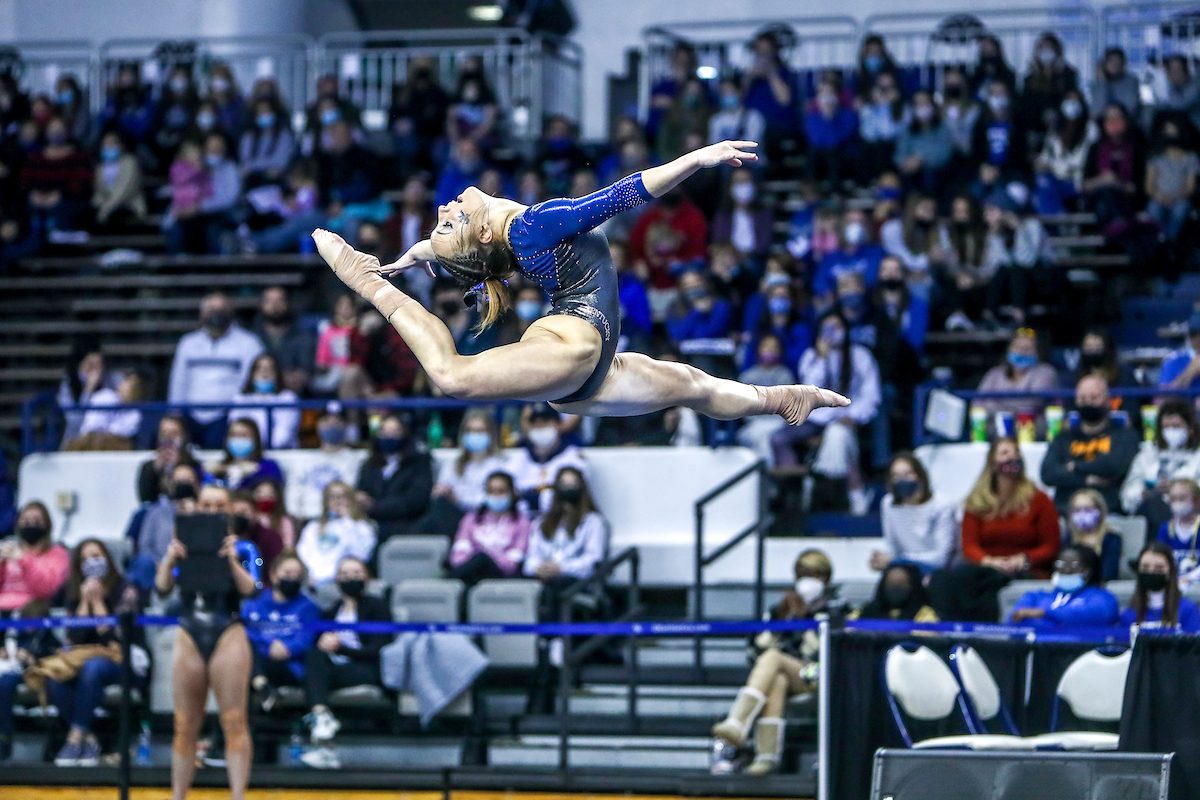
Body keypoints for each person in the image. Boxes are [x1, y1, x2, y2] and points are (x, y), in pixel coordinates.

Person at [312, 140, 850, 430]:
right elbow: (622, 196)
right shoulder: (530, 225)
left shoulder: (500, 242)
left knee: (694, 386)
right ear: (479, 229)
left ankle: (783, 396)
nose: (443, 206)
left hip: (589, 377)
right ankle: (368, 288)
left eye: (442, 217)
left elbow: (445, 251)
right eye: (448, 219)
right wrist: (699, 158)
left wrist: (411, 255)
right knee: (453, 378)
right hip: (576, 345)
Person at [155, 484, 260, 800]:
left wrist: (231, 559)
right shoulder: (184, 541)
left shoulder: (243, 547)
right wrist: (170, 556)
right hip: (190, 628)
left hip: (227, 627)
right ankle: (178, 794)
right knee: (184, 722)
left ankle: (238, 794)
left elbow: (251, 590)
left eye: (219, 506)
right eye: (207, 505)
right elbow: (162, 587)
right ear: (197, 507)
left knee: (233, 719)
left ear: (228, 509)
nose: (212, 511)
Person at [711, 549, 839, 777]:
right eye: (801, 574)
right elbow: (754, 651)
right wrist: (780, 619)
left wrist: (803, 620)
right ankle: (767, 757)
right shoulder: (779, 610)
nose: (807, 581)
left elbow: (827, 652)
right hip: (788, 674)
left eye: (814, 575)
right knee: (776, 678)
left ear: (826, 578)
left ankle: (738, 723)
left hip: (821, 673)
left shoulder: (836, 609)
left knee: (773, 659)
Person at [770, 312, 880, 515]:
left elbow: (871, 394)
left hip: (849, 415)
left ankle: (854, 493)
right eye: (827, 328)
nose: (832, 333)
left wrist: (854, 416)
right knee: (778, 438)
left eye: (837, 327)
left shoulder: (861, 355)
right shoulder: (811, 356)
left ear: (846, 330)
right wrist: (821, 359)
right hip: (816, 417)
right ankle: (794, 486)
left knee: (839, 437)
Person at [48, 539, 141, 766]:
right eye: (85, 559)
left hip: (125, 660)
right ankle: (86, 739)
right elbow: (74, 638)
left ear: (107, 558)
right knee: (55, 676)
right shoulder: (73, 591)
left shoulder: (125, 588)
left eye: (96, 556)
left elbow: (119, 639)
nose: (92, 563)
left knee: (94, 668)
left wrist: (98, 603)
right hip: (86, 657)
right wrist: (84, 604)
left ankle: (74, 739)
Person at [300, 556, 390, 769]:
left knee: (316, 677)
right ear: (337, 580)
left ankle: (323, 735)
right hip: (334, 668)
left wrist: (341, 648)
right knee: (313, 657)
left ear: (367, 578)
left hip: (365, 668)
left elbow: (378, 650)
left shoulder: (378, 607)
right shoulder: (330, 611)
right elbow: (316, 642)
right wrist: (323, 643)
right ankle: (322, 719)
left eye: (356, 574)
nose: (351, 578)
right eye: (345, 574)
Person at [168, 292, 265, 448]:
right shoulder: (188, 343)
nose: (217, 314)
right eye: (211, 309)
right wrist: (175, 415)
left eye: (222, 309)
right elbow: (178, 381)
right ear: (202, 313)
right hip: (190, 414)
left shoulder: (249, 343)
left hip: (228, 415)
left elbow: (249, 384)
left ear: (231, 312)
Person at [1040, 375, 1139, 516]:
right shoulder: (1063, 438)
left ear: (1108, 401)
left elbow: (1115, 466)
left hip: (1109, 510)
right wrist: (1086, 479)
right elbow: (1048, 474)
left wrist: (1074, 466)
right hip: (1065, 511)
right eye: (1083, 399)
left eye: (1094, 398)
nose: (1088, 403)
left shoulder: (1125, 435)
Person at [962, 437, 1060, 578]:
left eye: (1016, 452)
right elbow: (969, 545)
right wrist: (988, 561)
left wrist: (1025, 559)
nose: (1012, 456)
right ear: (992, 463)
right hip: (986, 569)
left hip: (1025, 569)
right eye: (1005, 453)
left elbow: (1050, 546)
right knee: (945, 579)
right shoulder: (976, 500)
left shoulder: (1039, 499)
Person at [524, 467, 607, 622]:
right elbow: (531, 558)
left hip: (577, 582)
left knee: (556, 585)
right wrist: (539, 568)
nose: (568, 489)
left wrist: (561, 568)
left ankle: (556, 641)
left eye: (573, 484)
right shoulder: (541, 523)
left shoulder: (593, 522)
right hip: (543, 580)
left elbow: (593, 560)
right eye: (563, 484)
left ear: (582, 488)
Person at [243, 552, 320, 699]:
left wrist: (286, 648)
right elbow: (247, 632)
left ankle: (261, 686)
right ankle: (262, 684)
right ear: (273, 575)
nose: (292, 578)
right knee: (243, 646)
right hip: (256, 658)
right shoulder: (254, 602)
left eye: (298, 575)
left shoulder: (309, 607)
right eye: (287, 573)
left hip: (289, 666)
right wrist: (271, 644)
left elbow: (305, 640)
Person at [1121, 398, 1200, 533]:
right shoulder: (1147, 455)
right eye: (1166, 427)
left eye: (1176, 427)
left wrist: (1179, 490)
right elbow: (1126, 497)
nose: (1170, 431)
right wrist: (1143, 493)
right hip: (1151, 515)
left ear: (1190, 429)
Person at [872, 453, 956, 575]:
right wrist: (881, 560)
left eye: (907, 474)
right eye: (896, 476)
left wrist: (898, 560)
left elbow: (940, 559)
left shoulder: (942, 505)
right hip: (904, 569)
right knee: (894, 577)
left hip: (939, 572)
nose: (902, 480)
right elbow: (892, 547)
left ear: (920, 476)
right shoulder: (888, 504)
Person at [355, 415, 433, 542]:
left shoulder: (420, 463)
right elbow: (361, 491)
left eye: (394, 432)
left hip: (408, 526)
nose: (389, 437)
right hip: (371, 526)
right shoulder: (369, 464)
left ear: (405, 434)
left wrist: (375, 506)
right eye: (384, 432)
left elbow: (415, 501)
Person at [447, 471, 531, 585]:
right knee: (476, 563)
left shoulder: (521, 522)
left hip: (503, 574)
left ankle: (447, 580)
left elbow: (514, 559)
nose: (495, 496)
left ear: (512, 493)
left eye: (501, 491)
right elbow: (459, 552)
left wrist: (489, 558)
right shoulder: (471, 519)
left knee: (482, 559)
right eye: (491, 491)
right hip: (471, 571)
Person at [1008, 545, 1119, 628]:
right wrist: (1063, 621)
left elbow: (1098, 616)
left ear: (1088, 571)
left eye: (1074, 566)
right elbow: (1015, 622)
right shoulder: (1034, 597)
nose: (1066, 570)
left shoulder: (1102, 597)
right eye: (1060, 564)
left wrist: (1043, 613)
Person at [504, 403, 588, 513]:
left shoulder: (573, 457)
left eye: (545, 422)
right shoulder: (518, 459)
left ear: (559, 424)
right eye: (534, 423)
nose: (539, 426)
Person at [286, 409, 363, 521]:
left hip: (339, 519)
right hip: (305, 519)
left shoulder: (356, 459)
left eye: (337, 422)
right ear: (318, 425)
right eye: (327, 421)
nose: (332, 425)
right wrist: (295, 517)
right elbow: (293, 492)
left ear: (346, 427)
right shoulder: (304, 459)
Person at [296, 481, 376, 587]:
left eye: (342, 496)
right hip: (315, 579)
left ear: (351, 499)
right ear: (326, 501)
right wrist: (315, 572)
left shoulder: (362, 526)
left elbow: (362, 554)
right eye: (332, 497)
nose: (337, 501)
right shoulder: (313, 527)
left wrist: (348, 522)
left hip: (346, 581)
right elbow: (304, 552)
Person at [0, 502, 69, 613]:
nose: (31, 525)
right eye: (25, 521)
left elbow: (46, 590)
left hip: (34, 611)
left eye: (37, 521)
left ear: (47, 525)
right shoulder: (8, 549)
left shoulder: (57, 553)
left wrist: (22, 559)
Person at [974, 328, 1058, 420]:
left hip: (1033, 429)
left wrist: (995, 407)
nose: (1022, 352)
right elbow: (978, 403)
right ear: (1009, 350)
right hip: (994, 429)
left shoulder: (1046, 372)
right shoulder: (994, 373)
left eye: (1028, 348)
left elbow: (1031, 403)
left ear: (1038, 352)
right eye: (1017, 347)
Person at [434, 408, 507, 512]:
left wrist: (459, 501)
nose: (475, 435)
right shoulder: (451, 466)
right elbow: (440, 493)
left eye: (480, 431)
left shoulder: (501, 465)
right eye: (470, 431)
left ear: (491, 433)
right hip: (456, 518)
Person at [248, 286, 316, 398]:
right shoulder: (251, 336)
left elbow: (306, 371)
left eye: (279, 300)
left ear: (288, 304)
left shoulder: (303, 336)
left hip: (295, 396)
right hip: (256, 397)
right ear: (260, 305)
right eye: (269, 301)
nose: (274, 305)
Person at [1121, 542, 1200, 632]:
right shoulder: (1128, 614)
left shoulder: (1188, 610)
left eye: (1159, 568)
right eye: (1145, 568)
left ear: (1171, 571)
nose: (1151, 572)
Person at [229, 353, 300, 450]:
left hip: (282, 452)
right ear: (252, 373)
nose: (264, 373)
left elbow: (284, 433)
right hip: (249, 452)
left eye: (269, 369)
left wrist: (264, 450)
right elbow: (236, 429)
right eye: (259, 369)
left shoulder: (288, 398)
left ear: (277, 373)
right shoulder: (241, 399)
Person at [1145, 120, 1198, 242]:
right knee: (1153, 209)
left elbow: (1191, 186)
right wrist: (1159, 196)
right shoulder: (1156, 157)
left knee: (1180, 210)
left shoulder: (1191, 158)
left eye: (1174, 132)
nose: (1171, 136)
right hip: (1158, 198)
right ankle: (1161, 242)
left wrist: (1175, 197)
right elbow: (1149, 185)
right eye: (1168, 132)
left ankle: (1170, 242)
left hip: (1180, 199)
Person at [205, 418, 283, 492]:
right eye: (233, 435)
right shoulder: (216, 468)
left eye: (243, 435)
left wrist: (253, 472)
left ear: (255, 439)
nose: (237, 439)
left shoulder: (268, 467)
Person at [137, 415, 200, 503]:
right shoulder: (148, 468)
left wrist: (177, 466)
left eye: (174, 434)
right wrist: (155, 471)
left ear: (183, 436)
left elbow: (196, 497)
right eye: (164, 434)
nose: (169, 439)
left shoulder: (193, 465)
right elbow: (145, 500)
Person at [1064, 488, 1123, 583]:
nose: (1082, 514)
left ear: (1100, 510)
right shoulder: (1069, 537)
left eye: (1088, 509)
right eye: (1077, 510)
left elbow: (1110, 573)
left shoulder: (1111, 538)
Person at [92, 131, 146, 230]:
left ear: (121, 145)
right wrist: (101, 205)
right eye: (106, 144)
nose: (109, 146)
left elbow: (125, 190)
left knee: (115, 217)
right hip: (104, 207)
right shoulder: (100, 167)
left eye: (112, 143)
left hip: (127, 206)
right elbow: (98, 191)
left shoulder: (130, 162)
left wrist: (108, 207)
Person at [850, 563, 939, 622]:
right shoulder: (863, 613)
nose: (896, 589)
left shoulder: (925, 614)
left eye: (901, 585)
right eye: (891, 585)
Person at [1156, 479, 1200, 584]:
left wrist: (1191, 577)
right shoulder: (1165, 529)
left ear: (1196, 500)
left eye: (1182, 498)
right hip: (1173, 582)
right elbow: (1159, 559)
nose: (1177, 503)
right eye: (1173, 499)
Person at [1090, 47, 1141, 120]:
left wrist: (1115, 112)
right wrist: (1102, 81)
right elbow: (1097, 111)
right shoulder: (1097, 84)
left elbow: (1131, 108)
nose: (1114, 65)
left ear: (1123, 64)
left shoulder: (1131, 81)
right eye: (1111, 61)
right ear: (1104, 64)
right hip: (1104, 122)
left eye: (1117, 61)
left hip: (1126, 120)